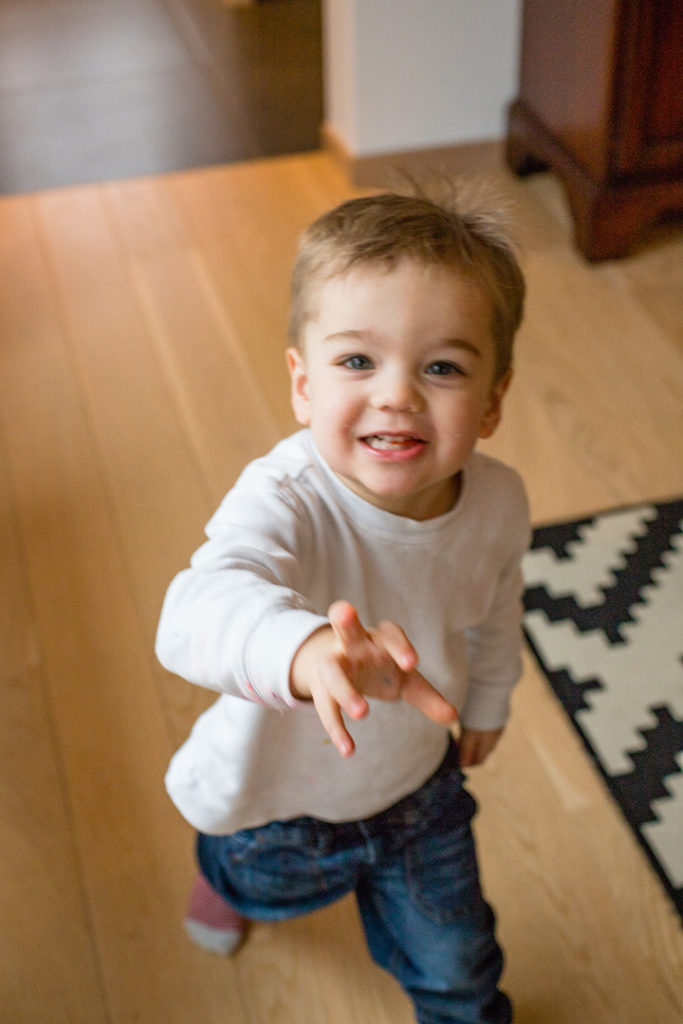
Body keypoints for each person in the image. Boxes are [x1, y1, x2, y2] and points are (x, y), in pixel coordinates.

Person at [156, 185, 529, 1024]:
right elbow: (193, 610)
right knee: (249, 881)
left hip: (417, 789)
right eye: (358, 361)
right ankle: (224, 884)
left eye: (441, 367)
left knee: (459, 964)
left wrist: (488, 697)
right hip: (277, 799)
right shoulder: (286, 495)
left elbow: (497, 607)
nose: (397, 394)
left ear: (494, 398)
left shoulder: (499, 502)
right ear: (302, 383)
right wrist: (301, 649)